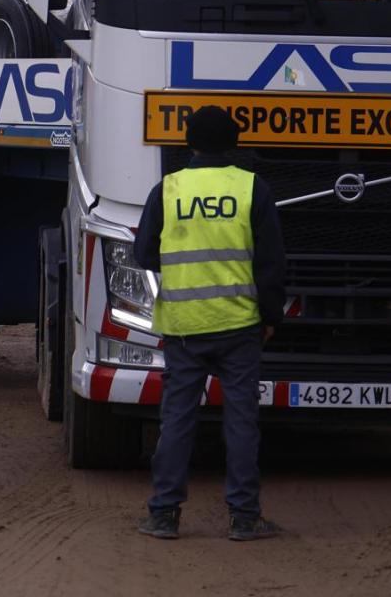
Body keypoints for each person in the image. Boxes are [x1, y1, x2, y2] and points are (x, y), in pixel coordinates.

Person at [133, 105, 286, 542]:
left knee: (177, 419)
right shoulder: (252, 188)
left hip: (184, 326)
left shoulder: (168, 189)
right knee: (240, 421)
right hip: (239, 326)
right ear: (234, 144)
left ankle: (163, 515)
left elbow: (143, 254)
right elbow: (272, 264)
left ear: (190, 142)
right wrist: (270, 317)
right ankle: (244, 518)